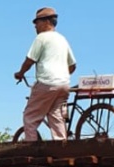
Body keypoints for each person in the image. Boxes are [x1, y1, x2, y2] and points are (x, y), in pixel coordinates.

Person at [14, 7, 77, 141]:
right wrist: (62, 76)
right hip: (64, 85)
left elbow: (29, 60)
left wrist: (20, 73)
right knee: (57, 117)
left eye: (37, 22)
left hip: (47, 83)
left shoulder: (41, 38)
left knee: (30, 117)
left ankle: (30, 148)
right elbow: (72, 65)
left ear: (47, 21)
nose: (35, 26)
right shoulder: (62, 39)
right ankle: (61, 147)